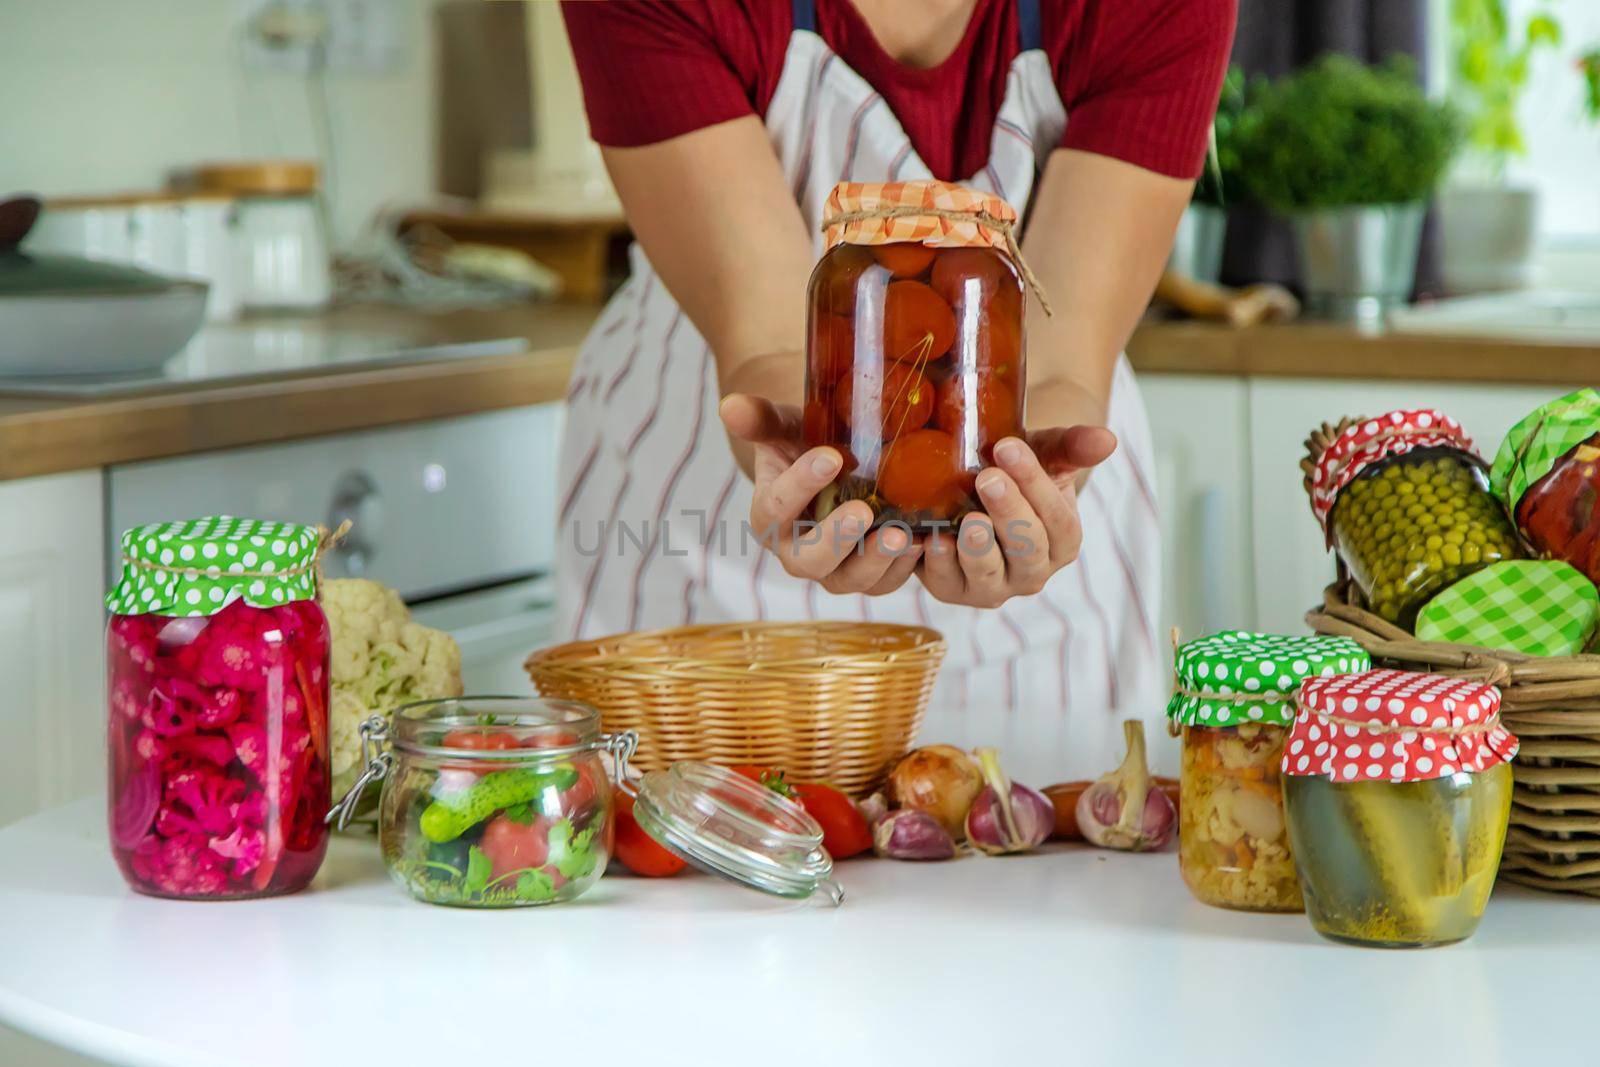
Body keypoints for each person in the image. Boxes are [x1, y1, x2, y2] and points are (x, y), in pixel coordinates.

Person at [556, 0, 1236, 778]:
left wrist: (1028, 485)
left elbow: (1056, 365)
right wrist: (808, 465)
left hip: (1034, 593)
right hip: (704, 572)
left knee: (1033, 858)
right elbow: (777, 340)